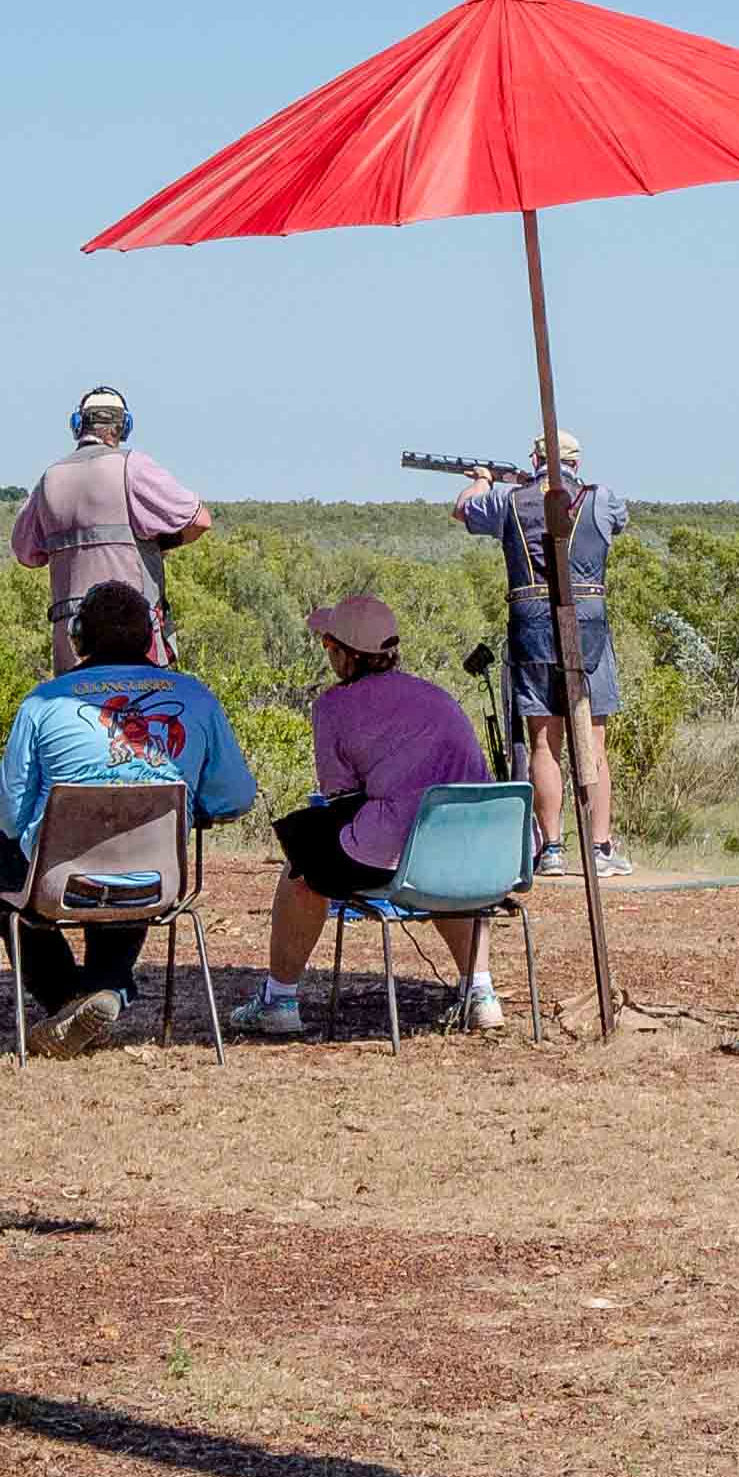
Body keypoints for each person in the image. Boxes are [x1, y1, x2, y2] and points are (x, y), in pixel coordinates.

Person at [0, 578, 256, 1055]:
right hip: (156, 882)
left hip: (57, 881)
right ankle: (104, 990)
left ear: (78, 639)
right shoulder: (197, 698)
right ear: (149, 640)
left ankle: (66, 996)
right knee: (130, 861)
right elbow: (237, 797)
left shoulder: (43, 703)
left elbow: (12, 819)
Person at [236, 592, 504, 1039]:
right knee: (442, 863)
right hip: (477, 851)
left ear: (347, 655)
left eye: (328, 645)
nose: (327, 654)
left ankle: (278, 999)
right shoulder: (437, 695)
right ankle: (480, 992)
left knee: (301, 866)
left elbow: (340, 796)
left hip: (399, 854)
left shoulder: (333, 707)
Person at [455, 427, 626, 870]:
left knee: (544, 744)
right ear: (576, 462)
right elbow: (618, 521)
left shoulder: (509, 501)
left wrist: (484, 480)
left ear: (534, 461)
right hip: (588, 625)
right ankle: (600, 848)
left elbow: (463, 508)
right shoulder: (601, 498)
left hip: (531, 626)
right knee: (593, 742)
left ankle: (551, 849)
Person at [8, 384, 211, 666]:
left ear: (78, 425)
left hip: (71, 642)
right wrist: (157, 545)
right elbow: (200, 520)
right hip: (134, 637)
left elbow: (25, 554)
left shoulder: (49, 479)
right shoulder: (132, 466)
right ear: (123, 426)